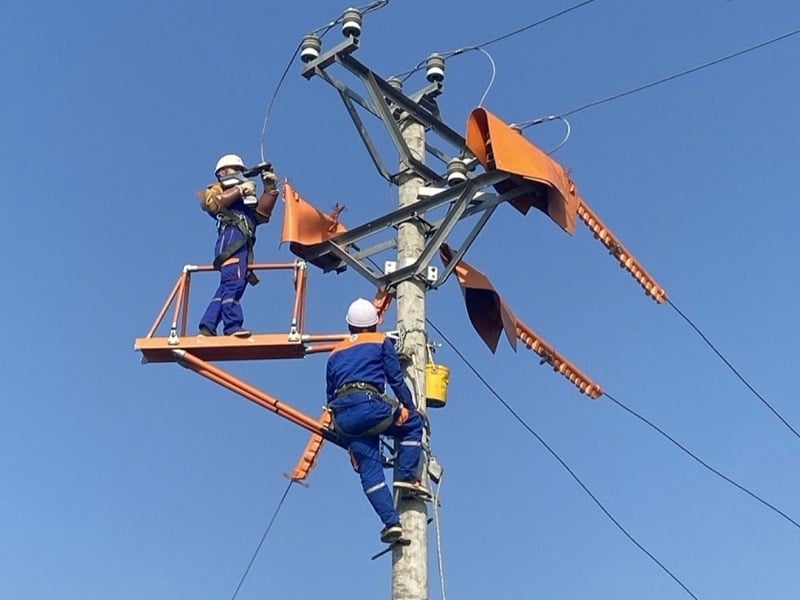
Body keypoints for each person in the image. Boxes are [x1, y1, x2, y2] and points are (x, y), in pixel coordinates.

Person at [325, 298, 427, 543]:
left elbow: (329, 396)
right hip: (370, 405)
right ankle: (406, 476)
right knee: (413, 423)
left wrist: (347, 442)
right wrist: (409, 408)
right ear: (374, 323)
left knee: (370, 473)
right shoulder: (380, 341)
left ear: (350, 326)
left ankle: (391, 523)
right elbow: (395, 379)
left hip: (344, 418)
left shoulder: (335, 352)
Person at [197, 154, 278, 337]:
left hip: (240, 246)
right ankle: (232, 326)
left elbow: (261, 216)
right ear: (223, 172)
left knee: (227, 286)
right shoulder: (217, 191)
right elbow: (213, 204)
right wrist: (239, 190)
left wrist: (270, 189)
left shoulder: (242, 201)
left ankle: (207, 325)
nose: (242, 174)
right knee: (234, 284)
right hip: (232, 243)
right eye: (238, 170)